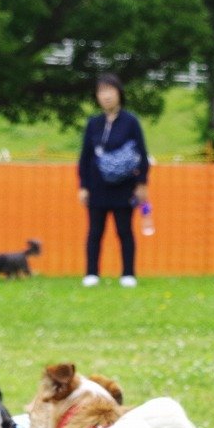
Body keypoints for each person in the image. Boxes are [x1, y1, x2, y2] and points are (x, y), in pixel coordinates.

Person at [77, 74, 148, 288]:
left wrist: (142, 183)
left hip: (124, 186)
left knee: (124, 230)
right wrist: (83, 186)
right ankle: (92, 273)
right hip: (97, 186)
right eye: (101, 92)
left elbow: (142, 154)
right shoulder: (94, 123)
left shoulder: (130, 121)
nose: (106, 96)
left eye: (110, 91)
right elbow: (85, 156)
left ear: (119, 93)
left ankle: (128, 273)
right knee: (95, 231)